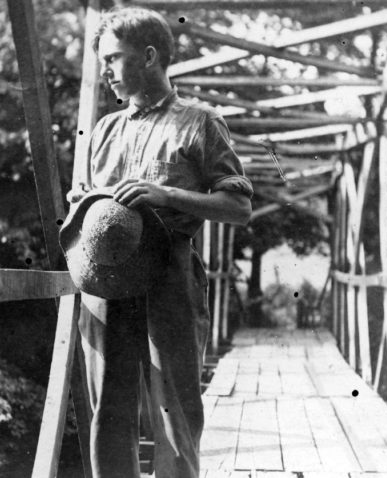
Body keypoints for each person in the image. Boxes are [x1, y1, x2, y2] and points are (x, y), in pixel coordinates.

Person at [67, 6, 253, 478]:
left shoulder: (199, 122)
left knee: (175, 412)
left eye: (114, 58)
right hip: (106, 282)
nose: (106, 70)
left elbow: (238, 207)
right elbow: (90, 207)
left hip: (170, 278)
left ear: (149, 56)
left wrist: (166, 193)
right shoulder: (104, 131)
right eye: (103, 62)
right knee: (108, 410)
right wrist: (84, 205)